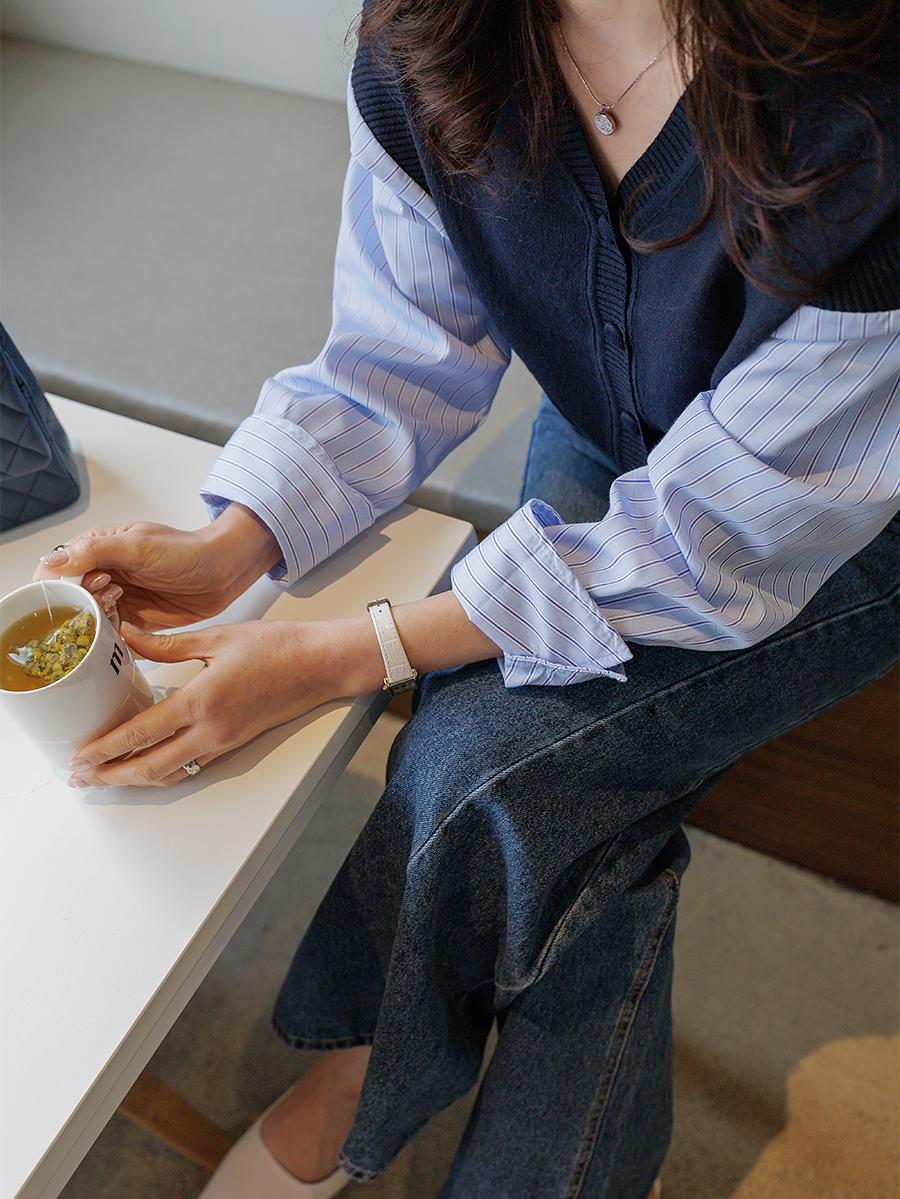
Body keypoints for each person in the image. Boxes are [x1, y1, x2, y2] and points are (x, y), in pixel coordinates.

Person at [36, 0, 898, 1195]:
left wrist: (346, 651)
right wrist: (234, 542)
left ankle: (366, 1064)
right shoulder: (433, 34)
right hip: (617, 441)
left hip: (847, 503)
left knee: (480, 763)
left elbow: (720, 537)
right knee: (577, 808)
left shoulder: (866, 105)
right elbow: (401, 350)